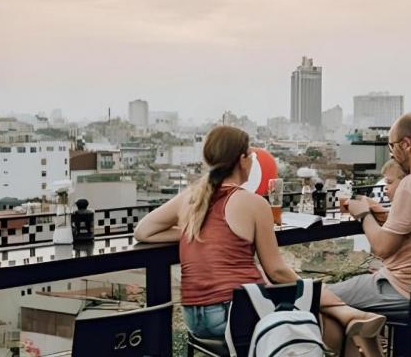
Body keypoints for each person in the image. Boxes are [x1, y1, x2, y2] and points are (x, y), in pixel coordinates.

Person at [134, 125, 385, 357]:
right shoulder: (253, 203)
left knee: (320, 314)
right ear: (242, 159)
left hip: (195, 319)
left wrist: (200, 231)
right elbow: (275, 270)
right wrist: (320, 294)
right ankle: (348, 313)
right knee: (331, 327)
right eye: (251, 156)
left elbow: (144, 231)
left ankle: (350, 315)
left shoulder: (191, 197)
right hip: (235, 314)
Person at [330, 113, 411, 313]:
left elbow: (382, 248)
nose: (391, 154)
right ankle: (370, 340)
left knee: (319, 297)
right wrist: (379, 211)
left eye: (391, 146)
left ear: (407, 144)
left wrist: (364, 214)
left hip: (404, 291)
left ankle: (356, 338)